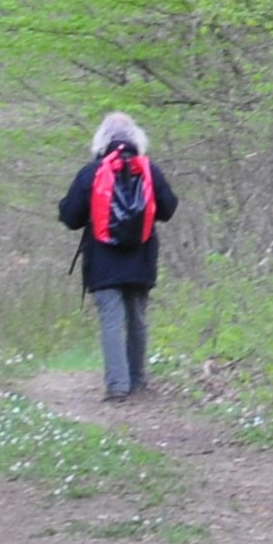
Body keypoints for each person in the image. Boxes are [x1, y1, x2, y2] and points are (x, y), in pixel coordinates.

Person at [56, 112, 176, 402]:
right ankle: (137, 381)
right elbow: (169, 208)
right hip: (142, 258)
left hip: (103, 260)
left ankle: (117, 387)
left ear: (102, 139)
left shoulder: (91, 172)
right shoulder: (150, 170)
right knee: (137, 318)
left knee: (112, 321)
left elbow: (70, 216)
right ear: (136, 138)